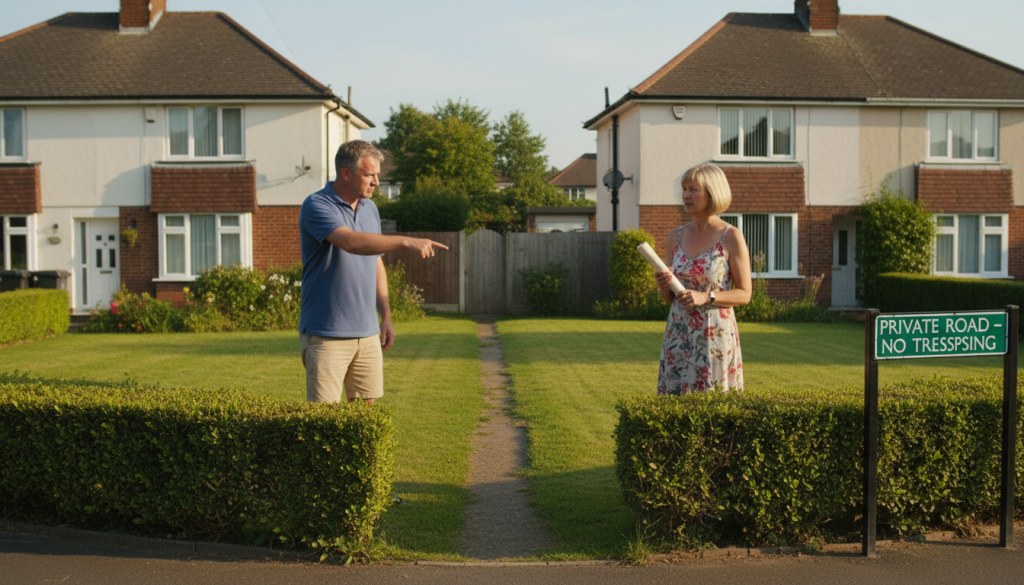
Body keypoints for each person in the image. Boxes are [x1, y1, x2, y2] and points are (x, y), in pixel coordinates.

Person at [299, 140, 447, 404]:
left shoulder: (370, 209)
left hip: (367, 332)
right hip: (326, 332)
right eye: (370, 175)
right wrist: (406, 241)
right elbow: (351, 242)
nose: (377, 182)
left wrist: (386, 316)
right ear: (346, 173)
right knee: (323, 421)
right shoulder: (316, 205)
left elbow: (376, 262)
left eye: (377, 175)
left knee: (366, 415)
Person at [654, 163, 751, 395]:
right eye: (684, 189)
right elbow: (669, 298)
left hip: (714, 335)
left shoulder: (731, 237)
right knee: (674, 413)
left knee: (713, 410)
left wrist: (706, 297)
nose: (686, 195)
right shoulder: (674, 236)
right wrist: (662, 285)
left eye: (693, 189)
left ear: (712, 193)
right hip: (678, 333)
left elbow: (744, 294)